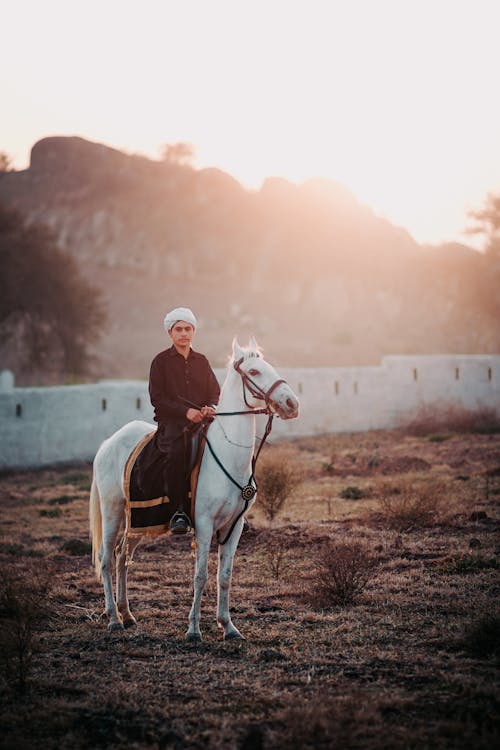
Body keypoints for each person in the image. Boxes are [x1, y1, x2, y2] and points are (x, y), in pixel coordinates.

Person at [149, 307, 220, 534]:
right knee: (176, 453)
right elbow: (157, 399)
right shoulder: (160, 362)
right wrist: (186, 412)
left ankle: (230, 508)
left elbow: (214, 391)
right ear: (170, 333)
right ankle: (178, 511)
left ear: (193, 332)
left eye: (188, 329)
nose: (183, 333)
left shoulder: (202, 361)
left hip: (203, 421)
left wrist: (211, 407)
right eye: (178, 329)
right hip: (173, 424)